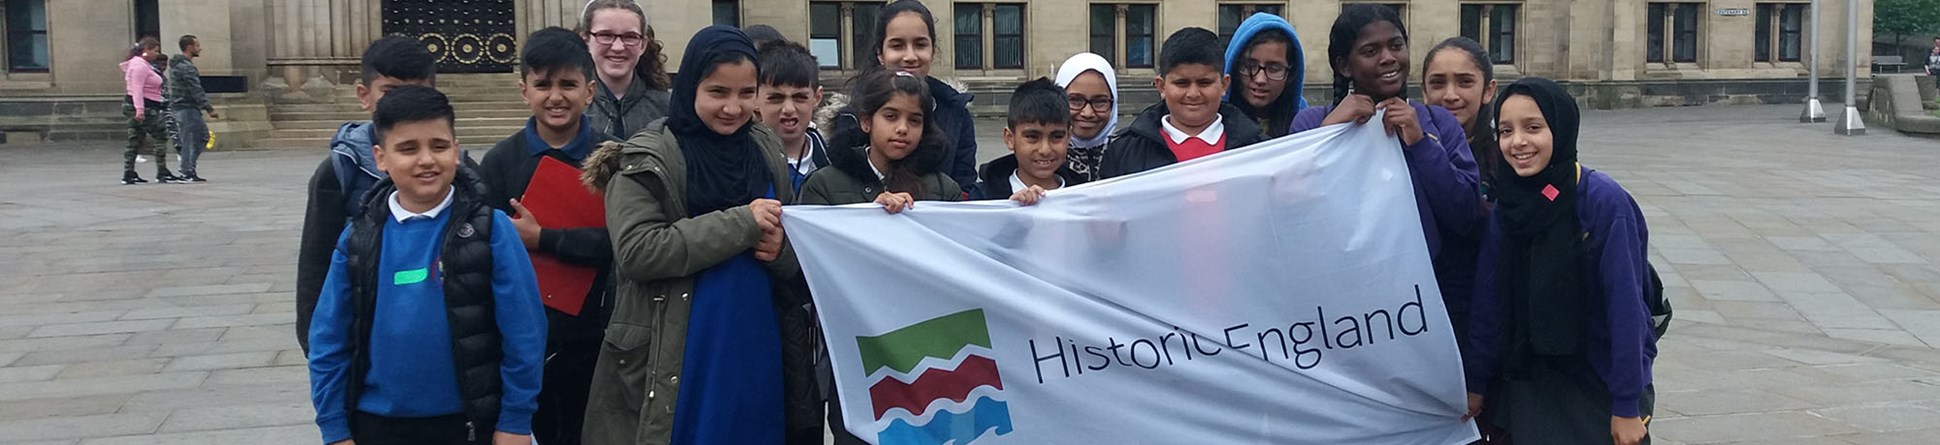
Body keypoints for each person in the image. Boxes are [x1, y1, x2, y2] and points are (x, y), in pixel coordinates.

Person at [579, 26, 822, 445]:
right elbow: (638, 252)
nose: (733, 107)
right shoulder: (645, 159)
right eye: (717, 92)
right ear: (689, 86)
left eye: (747, 93)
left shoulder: (764, 147)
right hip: (678, 352)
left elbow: (785, 241)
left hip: (756, 344)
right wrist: (740, 224)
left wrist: (781, 251)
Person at [306, 85, 547, 445]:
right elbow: (328, 338)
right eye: (407, 149)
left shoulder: (491, 230)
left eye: (438, 146)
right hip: (375, 423)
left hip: (466, 421)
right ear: (380, 157)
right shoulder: (358, 238)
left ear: (456, 149)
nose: (426, 160)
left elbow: (525, 332)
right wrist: (334, 426)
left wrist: (515, 419)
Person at [1465, 77, 1657, 445]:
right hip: (1530, 381)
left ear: (1562, 127)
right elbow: (1488, 302)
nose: (1518, 142)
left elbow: (1627, 308)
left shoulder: (1602, 202)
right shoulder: (1509, 205)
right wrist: (1476, 381)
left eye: (1533, 128)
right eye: (1506, 130)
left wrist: (1627, 404)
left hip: (1595, 380)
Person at [1289, 4, 1484, 330]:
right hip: (1344, 305)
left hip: (1425, 300)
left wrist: (1421, 145)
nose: (1388, 57)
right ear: (1343, 65)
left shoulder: (1439, 123)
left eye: (1396, 45)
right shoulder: (1311, 123)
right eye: (1370, 50)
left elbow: (1464, 213)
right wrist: (1331, 131)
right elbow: (1290, 207)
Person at [475, 27, 616, 445]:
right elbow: (483, 246)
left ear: (590, 91)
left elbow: (623, 242)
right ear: (524, 91)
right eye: (543, 85)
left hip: (596, 334)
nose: (556, 96)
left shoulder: (614, 158)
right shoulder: (501, 161)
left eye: (568, 84)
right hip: (522, 336)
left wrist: (544, 239)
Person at [296, 36, 440, 353]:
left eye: (416, 93)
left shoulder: (455, 167)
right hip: (365, 336)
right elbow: (315, 266)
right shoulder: (338, 172)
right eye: (390, 93)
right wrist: (316, 346)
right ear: (364, 95)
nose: (404, 105)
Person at [832, 0, 979, 198]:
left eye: (920, 45)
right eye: (897, 45)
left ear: (932, 51)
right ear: (880, 54)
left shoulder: (956, 112)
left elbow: (964, 187)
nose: (910, 56)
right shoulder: (852, 115)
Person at [1097, 27, 1268, 179]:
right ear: (1161, 86)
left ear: (1224, 85)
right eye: (1181, 83)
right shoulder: (1123, 152)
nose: (1193, 94)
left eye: (1204, 83)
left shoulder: (1260, 150)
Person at [976, 77, 1082, 203]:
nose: (1045, 150)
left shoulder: (1084, 197)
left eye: (1056, 137)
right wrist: (1007, 211)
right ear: (1010, 138)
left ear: (1069, 136)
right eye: (1032, 137)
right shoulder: (982, 198)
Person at [580, 0, 672, 140]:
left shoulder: (668, 108)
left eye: (630, 37)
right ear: (586, 40)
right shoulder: (572, 108)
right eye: (606, 35)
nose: (618, 47)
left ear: (643, 45)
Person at [1423, 36, 1500, 196]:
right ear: (1424, 91)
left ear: (1488, 90)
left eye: (1465, 82)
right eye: (1438, 83)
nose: (1450, 95)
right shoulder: (1407, 149)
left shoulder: (1505, 157)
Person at [755, 39, 831, 189]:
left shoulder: (838, 165)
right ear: (754, 99)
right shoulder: (739, 165)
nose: (788, 109)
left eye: (800, 97)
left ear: (817, 98)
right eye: (776, 98)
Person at [1222, 12, 1308, 138]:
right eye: (1250, 67)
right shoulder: (1210, 125)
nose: (1260, 79)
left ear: (1291, 73)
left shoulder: (1307, 125)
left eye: (1273, 69)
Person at [1052, 53, 1118, 183]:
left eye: (1100, 102)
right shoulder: (1041, 160)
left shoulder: (1129, 157)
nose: (1087, 113)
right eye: (1075, 100)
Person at [167, 34, 220, 183]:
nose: (200, 48)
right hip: (186, 107)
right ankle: (186, 171)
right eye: (197, 45)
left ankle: (188, 169)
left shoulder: (179, 65)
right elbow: (195, 88)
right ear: (189, 47)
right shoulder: (186, 67)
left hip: (185, 107)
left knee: (200, 137)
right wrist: (208, 108)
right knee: (193, 138)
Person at [121, 37, 174, 185]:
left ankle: (129, 172)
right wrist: (140, 109)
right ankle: (162, 172)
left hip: (140, 105)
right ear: (146, 50)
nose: (157, 54)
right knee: (160, 135)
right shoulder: (140, 66)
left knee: (135, 138)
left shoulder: (139, 64)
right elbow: (137, 88)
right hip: (144, 106)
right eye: (155, 51)